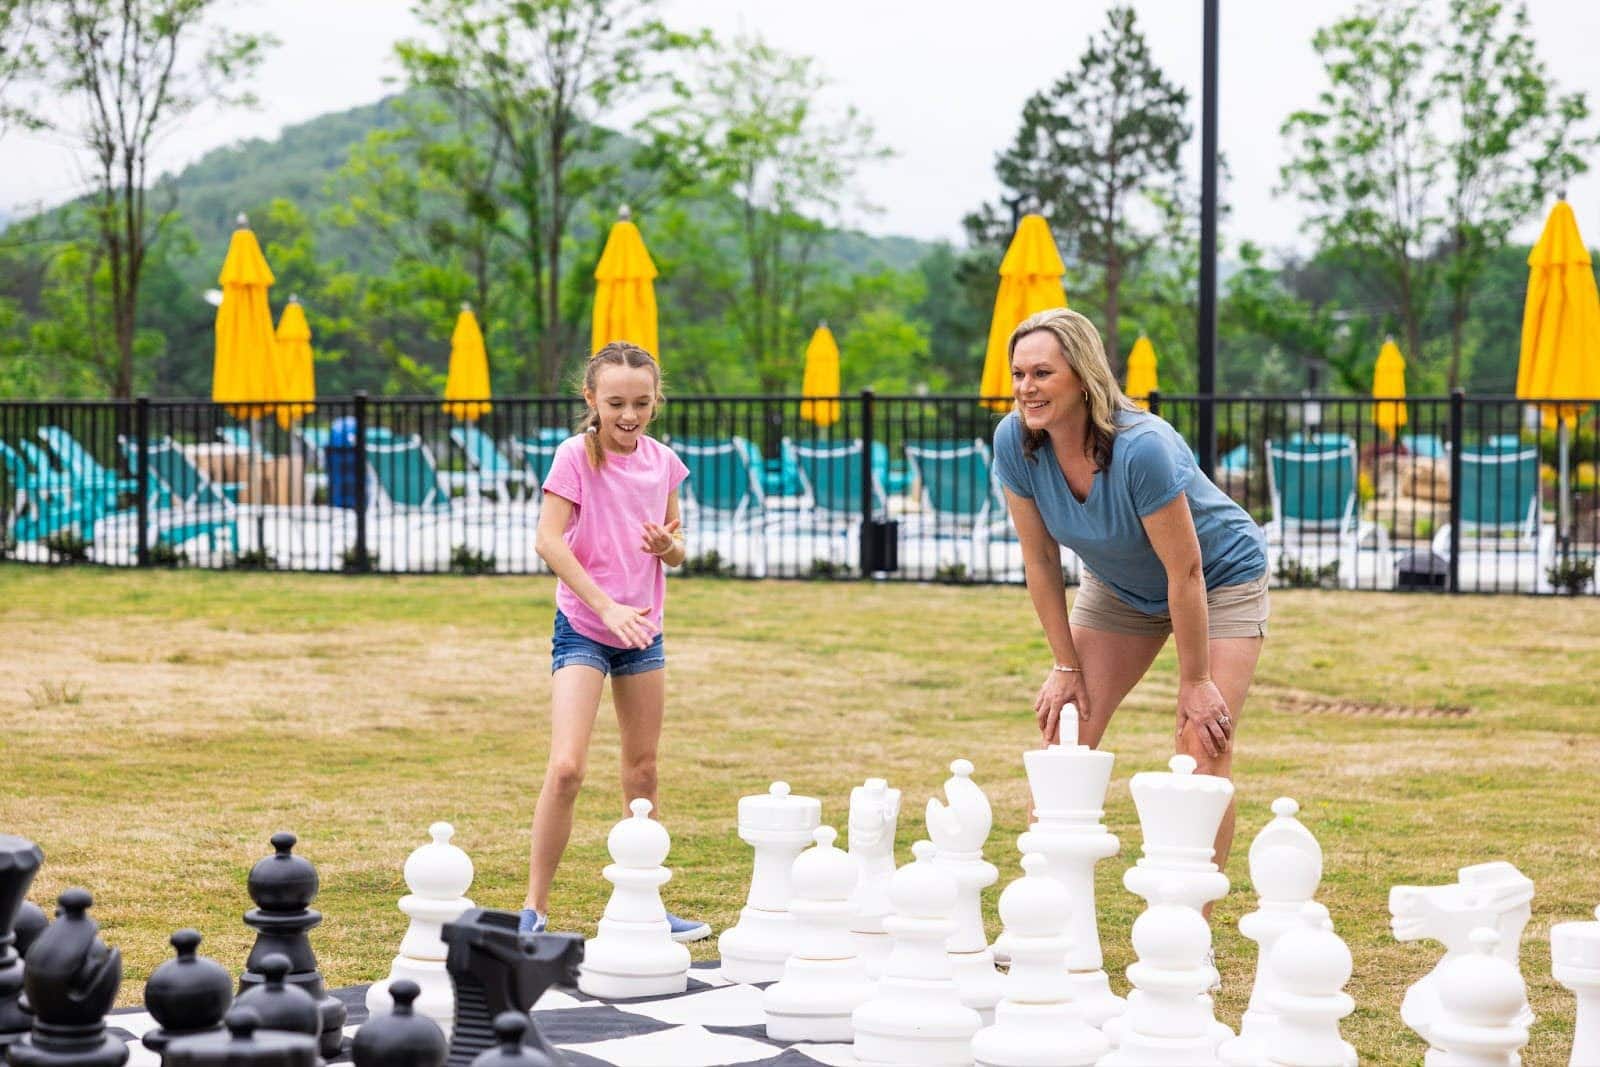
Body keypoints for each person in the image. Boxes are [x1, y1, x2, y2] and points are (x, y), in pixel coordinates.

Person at [993, 308, 1268, 870]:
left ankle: (1191, 937)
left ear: (1082, 374)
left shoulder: (1141, 446)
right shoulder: (1015, 442)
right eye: (1019, 374)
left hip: (1218, 578)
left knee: (1201, 748)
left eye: (1042, 373)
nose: (1027, 388)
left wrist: (1196, 682)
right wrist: (1065, 666)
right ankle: (1047, 917)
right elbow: (1040, 560)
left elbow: (1186, 573)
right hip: (1119, 586)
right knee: (1065, 741)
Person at [519, 340, 709, 942]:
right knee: (568, 767)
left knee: (644, 771)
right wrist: (605, 606)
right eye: (616, 403)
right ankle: (534, 909)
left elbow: (678, 550)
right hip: (584, 625)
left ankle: (646, 904)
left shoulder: (664, 462)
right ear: (591, 400)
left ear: (657, 400)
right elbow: (549, 541)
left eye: (642, 403)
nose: (629, 415)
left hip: (642, 632)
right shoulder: (575, 456)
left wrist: (666, 549)